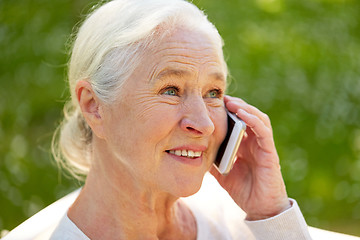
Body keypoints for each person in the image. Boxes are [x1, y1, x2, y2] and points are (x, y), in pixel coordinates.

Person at [49, 0, 312, 239]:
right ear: (94, 106)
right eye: (171, 90)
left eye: (213, 93)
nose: (205, 124)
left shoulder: (237, 218)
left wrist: (270, 214)